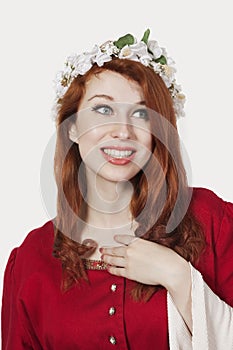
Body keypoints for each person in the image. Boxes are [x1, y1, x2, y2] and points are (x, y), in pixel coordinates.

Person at [1, 29, 233, 349]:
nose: (123, 131)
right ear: (71, 127)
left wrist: (179, 278)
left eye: (140, 113)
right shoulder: (31, 260)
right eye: (103, 109)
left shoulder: (210, 219)